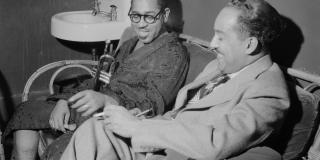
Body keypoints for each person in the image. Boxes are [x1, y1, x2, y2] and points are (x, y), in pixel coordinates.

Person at [60, 0, 290, 160]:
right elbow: (178, 114)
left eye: (221, 37)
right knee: (95, 128)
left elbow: (215, 142)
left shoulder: (269, 91)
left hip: (179, 154)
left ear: (250, 45)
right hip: (158, 142)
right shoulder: (219, 66)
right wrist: (135, 120)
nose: (212, 44)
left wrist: (136, 128)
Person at [3, 0, 189, 159]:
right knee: (26, 111)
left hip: (111, 122)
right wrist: (64, 100)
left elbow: (153, 104)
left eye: (149, 16)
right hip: (88, 107)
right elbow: (99, 78)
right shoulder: (130, 43)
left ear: (165, 15)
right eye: (135, 15)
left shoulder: (174, 54)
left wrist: (108, 101)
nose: (140, 24)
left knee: (60, 150)